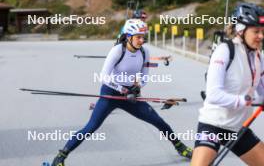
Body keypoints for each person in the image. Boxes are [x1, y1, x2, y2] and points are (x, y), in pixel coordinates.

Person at [51, 19, 192, 166]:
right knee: (91, 127)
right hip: (110, 93)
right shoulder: (118, 50)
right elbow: (104, 76)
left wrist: (137, 87)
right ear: (129, 36)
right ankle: (60, 157)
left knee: (158, 121)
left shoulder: (144, 51)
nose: (142, 40)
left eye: (143, 37)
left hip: (131, 95)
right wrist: (122, 89)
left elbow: (144, 76)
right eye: (138, 37)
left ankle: (180, 147)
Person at [191, 2, 264, 166]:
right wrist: (244, 100)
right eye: (256, 31)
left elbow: (262, 90)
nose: (261, 36)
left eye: (263, 31)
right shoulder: (225, 50)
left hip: (239, 128)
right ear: (240, 30)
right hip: (213, 126)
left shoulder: (259, 56)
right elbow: (213, 95)